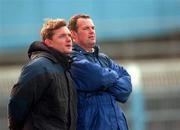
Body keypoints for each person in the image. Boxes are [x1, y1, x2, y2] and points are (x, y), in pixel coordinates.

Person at [8, 19, 77, 130]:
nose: (69, 39)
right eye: (62, 36)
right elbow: (17, 104)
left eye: (69, 35)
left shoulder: (65, 68)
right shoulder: (38, 67)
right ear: (49, 42)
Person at [68, 14, 132, 130]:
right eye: (86, 28)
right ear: (73, 34)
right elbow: (98, 78)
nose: (91, 31)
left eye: (93, 28)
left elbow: (125, 90)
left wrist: (105, 81)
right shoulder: (72, 58)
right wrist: (113, 76)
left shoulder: (103, 58)